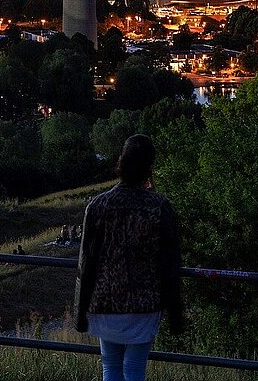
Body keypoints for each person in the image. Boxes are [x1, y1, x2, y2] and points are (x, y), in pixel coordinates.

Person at [73, 134, 184, 381]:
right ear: (149, 168)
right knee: (134, 370)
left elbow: (86, 262)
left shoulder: (98, 205)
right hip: (144, 304)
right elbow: (170, 264)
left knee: (110, 368)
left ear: (120, 163)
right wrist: (176, 313)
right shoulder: (159, 207)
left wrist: (80, 311)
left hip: (105, 302)